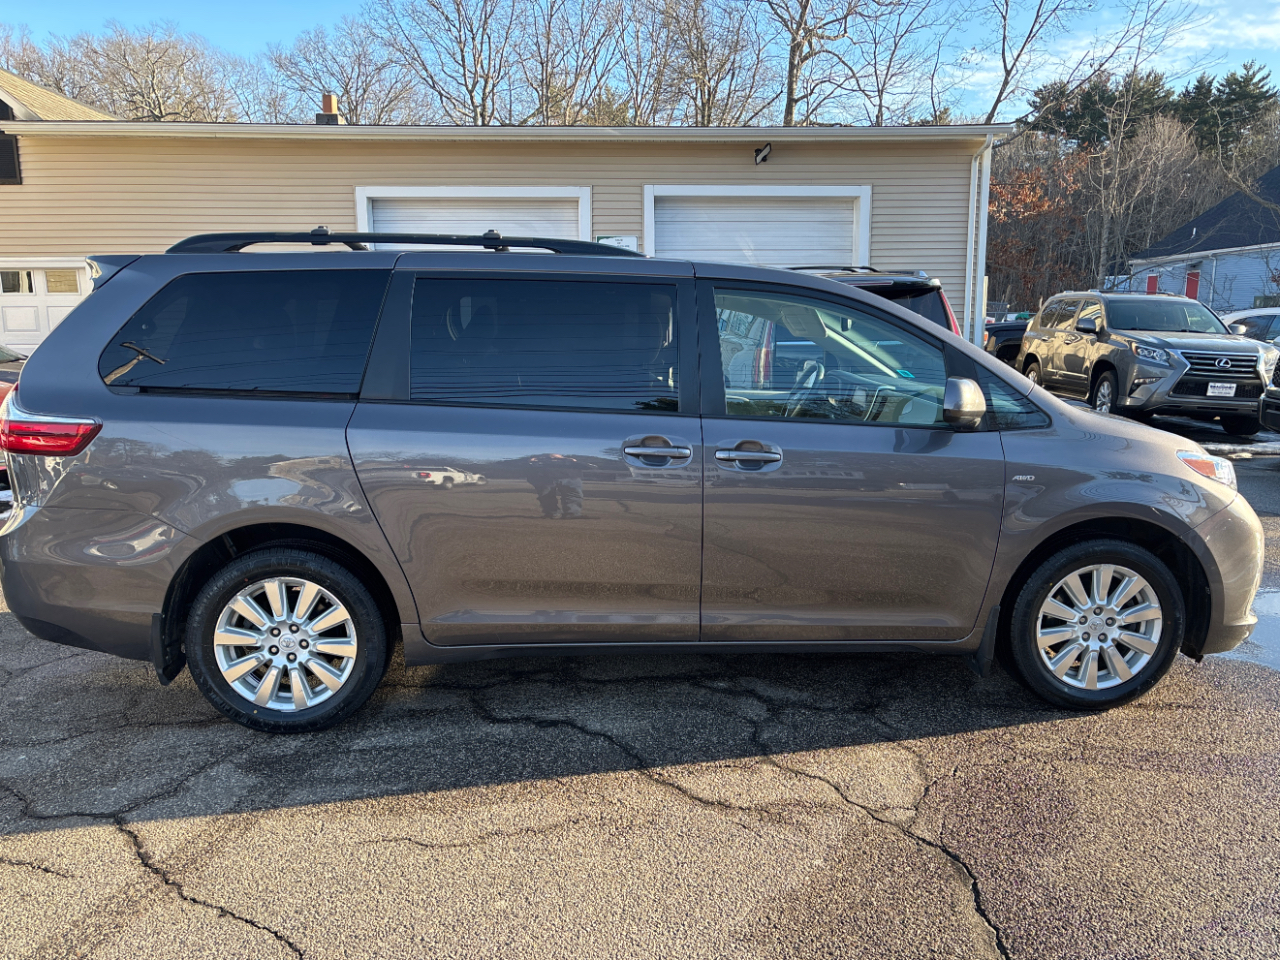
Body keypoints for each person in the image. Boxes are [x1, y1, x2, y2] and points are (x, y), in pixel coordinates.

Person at [526, 453, 584, 519]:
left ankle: (572, 514)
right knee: (546, 495)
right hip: (546, 476)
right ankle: (553, 513)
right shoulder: (535, 460)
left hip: (569, 476)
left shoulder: (571, 460)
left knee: (573, 494)